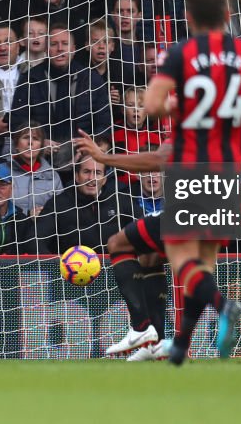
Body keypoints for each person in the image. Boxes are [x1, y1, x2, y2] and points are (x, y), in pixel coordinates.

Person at [143, 0, 241, 365]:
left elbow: (152, 105)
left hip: (189, 166)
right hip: (230, 171)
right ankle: (181, 344)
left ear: (189, 18)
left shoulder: (180, 53)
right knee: (205, 262)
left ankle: (223, 304)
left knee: (182, 260)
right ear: (228, 16)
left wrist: (178, 105)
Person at [74, 134, 172, 361]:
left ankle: (140, 327)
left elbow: (157, 160)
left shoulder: (191, 120)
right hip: (216, 210)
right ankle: (156, 344)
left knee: (117, 243)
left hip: (193, 210)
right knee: (149, 258)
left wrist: (102, 157)